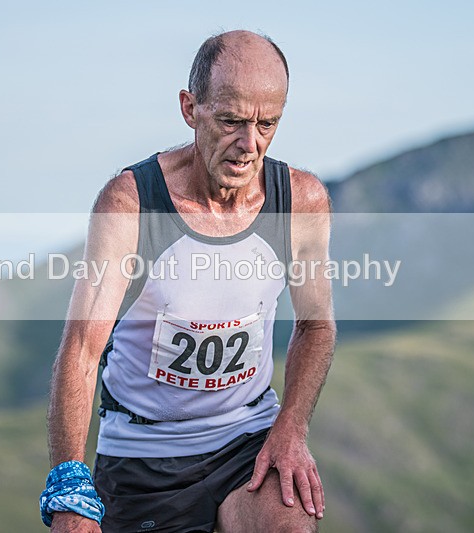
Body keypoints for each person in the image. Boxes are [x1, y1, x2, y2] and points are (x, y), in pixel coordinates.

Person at [41, 30, 335, 533]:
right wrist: (69, 485)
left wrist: (291, 427)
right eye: (231, 121)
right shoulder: (131, 203)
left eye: (267, 124)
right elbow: (83, 350)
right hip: (143, 457)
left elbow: (316, 327)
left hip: (247, 440)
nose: (249, 145)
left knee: (289, 523)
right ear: (190, 108)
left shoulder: (299, 201)